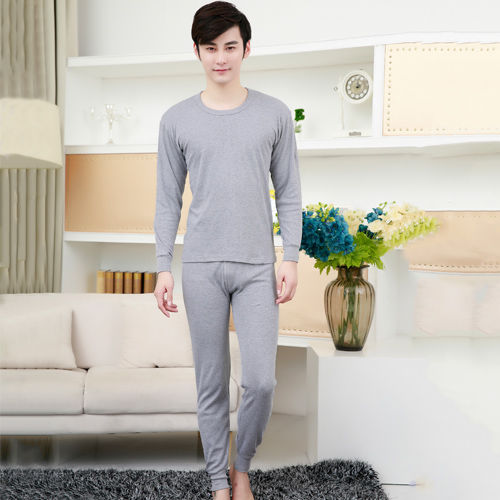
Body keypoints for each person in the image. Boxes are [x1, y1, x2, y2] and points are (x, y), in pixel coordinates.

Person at [153, 2, 302, 498]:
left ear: (247, 49)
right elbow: (167, 200)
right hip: (200, 266)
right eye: (211, 48)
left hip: (258, 267)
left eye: (230, 47)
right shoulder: (176, 120)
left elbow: (289, 191)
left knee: (261, 382)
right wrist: (162, 267)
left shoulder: (274, 114)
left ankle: (242, 466)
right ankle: (220, 482)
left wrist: (290, 256)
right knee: (212, 383)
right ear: (197, 51)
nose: (221, 58)